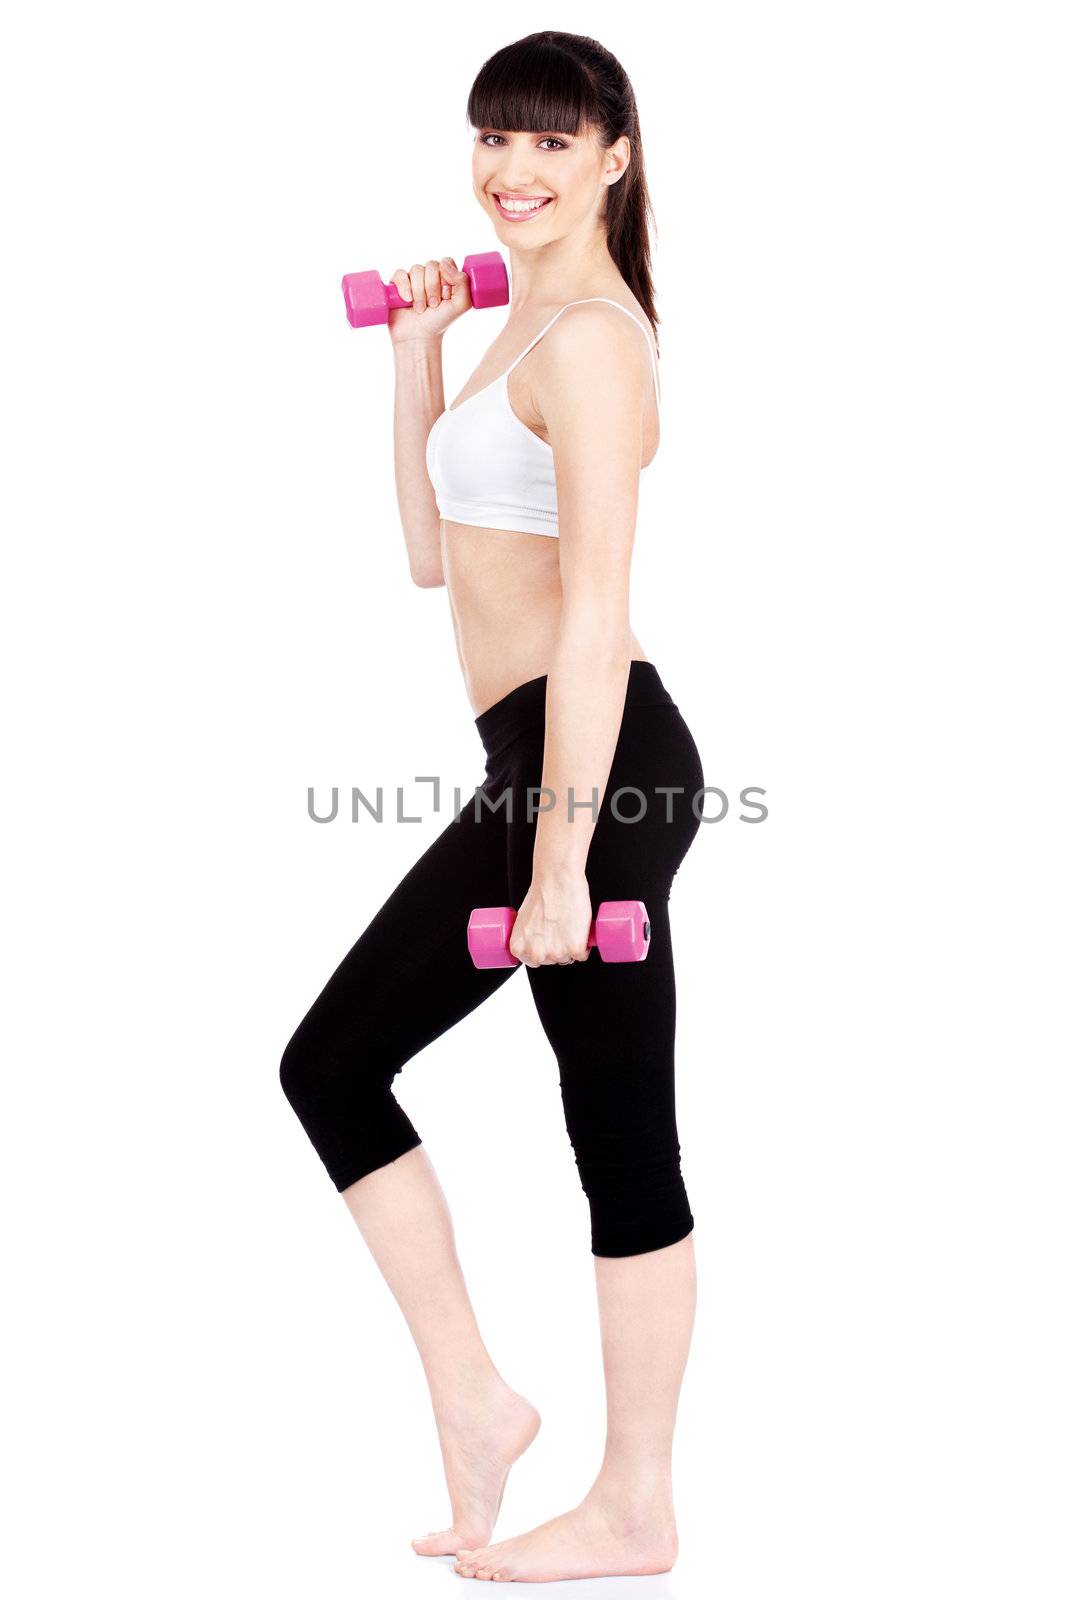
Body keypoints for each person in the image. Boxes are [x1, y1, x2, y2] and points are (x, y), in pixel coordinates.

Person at [281, 30, 708, 1584]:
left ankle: (623, 1496)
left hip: (600, 764)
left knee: (576, 1121)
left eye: (548, 141)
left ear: (616, 155)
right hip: (533, 759)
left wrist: (563, 847)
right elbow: (430, 558)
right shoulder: (526, 325)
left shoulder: (596, 337)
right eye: (491, 141)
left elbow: (596, 610)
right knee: (348, 1069)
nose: (511, 171)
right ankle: (487, 1408)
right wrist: (412, 356)